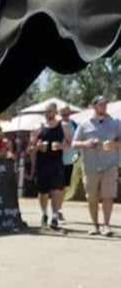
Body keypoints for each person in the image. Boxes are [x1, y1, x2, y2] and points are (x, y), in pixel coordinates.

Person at [72, 95, 121, 236]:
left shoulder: (116, 123)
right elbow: (74, 143)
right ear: (94, 106)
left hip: (110, 165)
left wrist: (113, 144)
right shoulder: (84, 124)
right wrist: (86, 144)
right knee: (91, 197)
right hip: (90, 166)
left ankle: (106, 225)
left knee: (108, 196)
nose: (104, 106)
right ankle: (95, 226)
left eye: (105, 104)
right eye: (101, 104)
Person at [29, 102, 71, 230]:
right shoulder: (38, 127)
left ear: (56, 112)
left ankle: (55, 216)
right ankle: (44, 214)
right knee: (43, 193)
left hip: (56, 163)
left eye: (50, 111)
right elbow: (30, 148)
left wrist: (60, 146)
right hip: (42, 164)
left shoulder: (63, 126)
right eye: (46, 111)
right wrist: (38, 147)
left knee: (56, 190)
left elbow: (70, 144)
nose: (48, 114)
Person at [59, 106, 79, 220]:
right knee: (59, 186)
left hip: (71, 160)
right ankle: (57, 209)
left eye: (66, 113)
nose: (65, 116)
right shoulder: (57, 125)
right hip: (58, 160)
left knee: (66, 186)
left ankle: (58, 207)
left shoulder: (75, 125)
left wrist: (78, 153)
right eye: (63, 114)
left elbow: (77, 140)